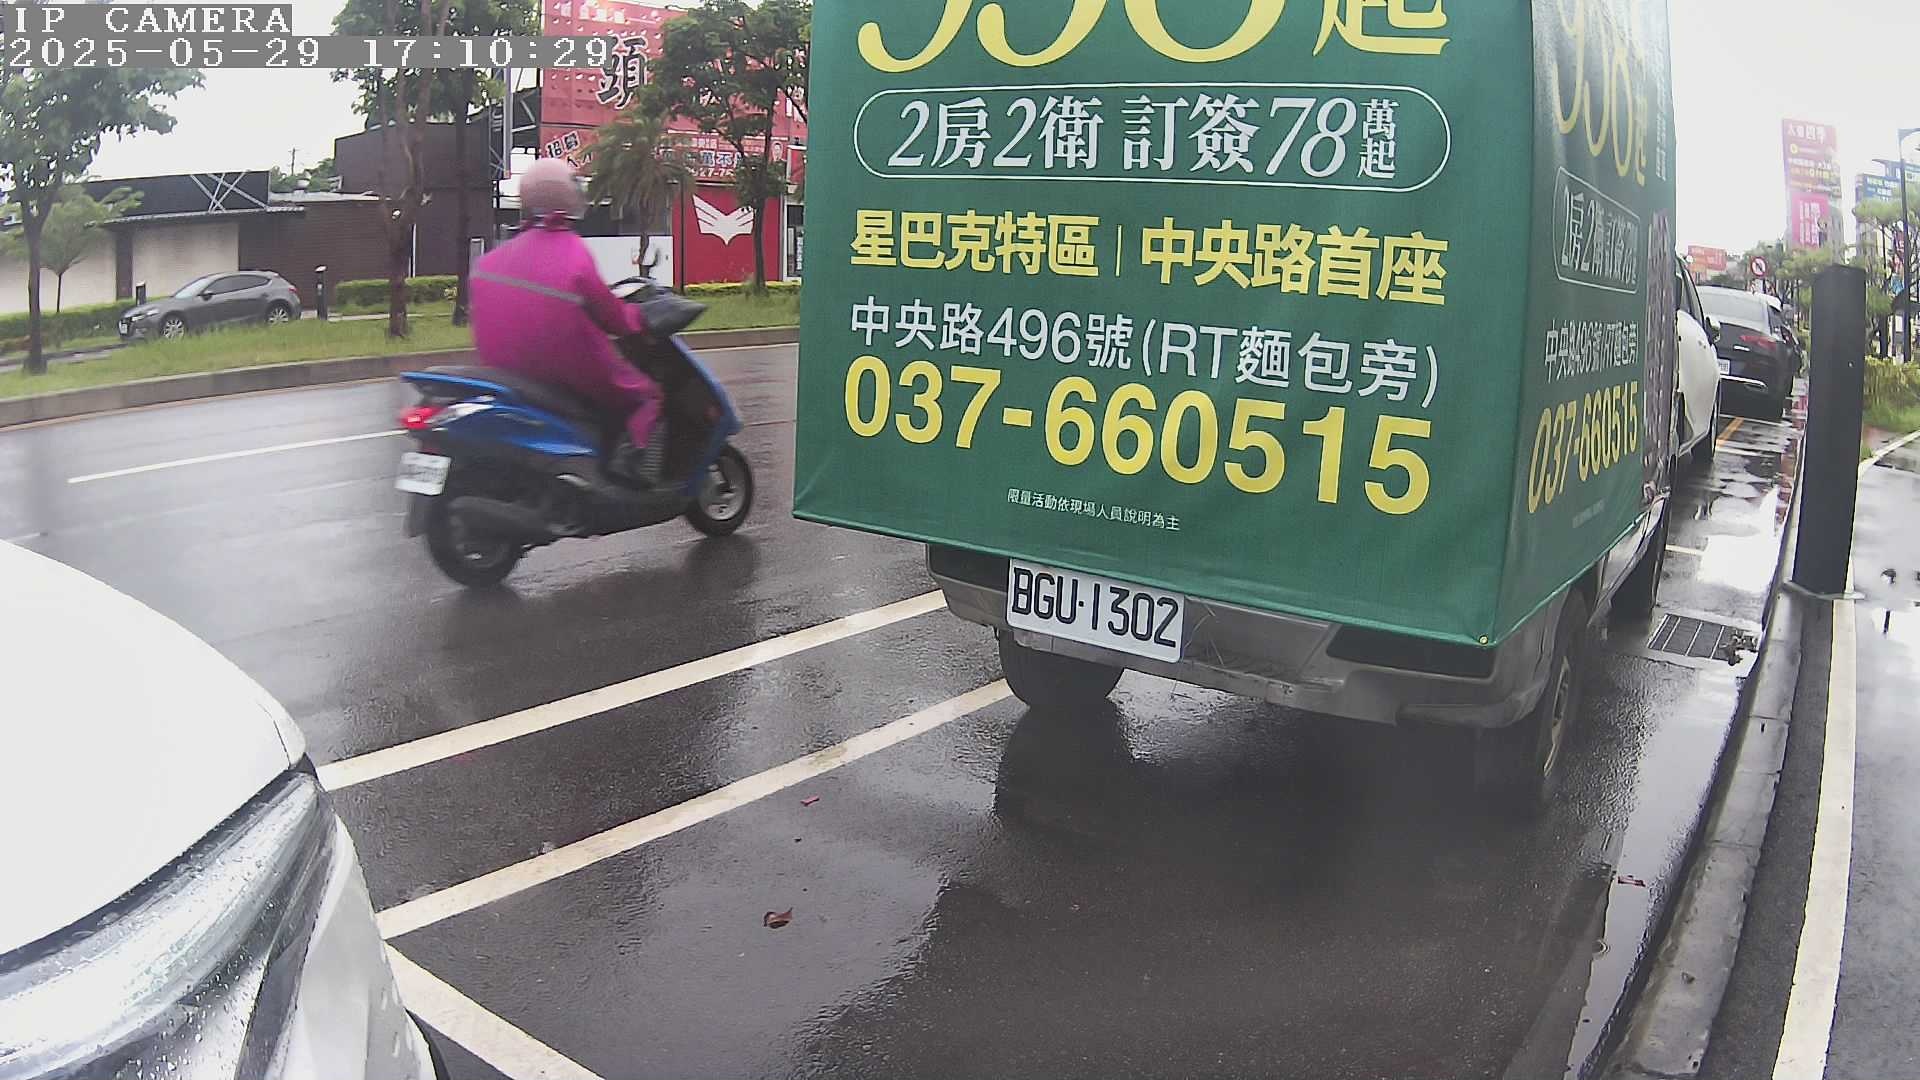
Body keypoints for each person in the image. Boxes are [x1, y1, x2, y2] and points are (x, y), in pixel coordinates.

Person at [470, 157, 665, 485]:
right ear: (567, 195)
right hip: (568, 371)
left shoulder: (490, 261)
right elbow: (613, 317)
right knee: (648, 395)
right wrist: (639, 320)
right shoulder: (574, 254)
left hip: (507, 375)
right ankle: (633, 472)